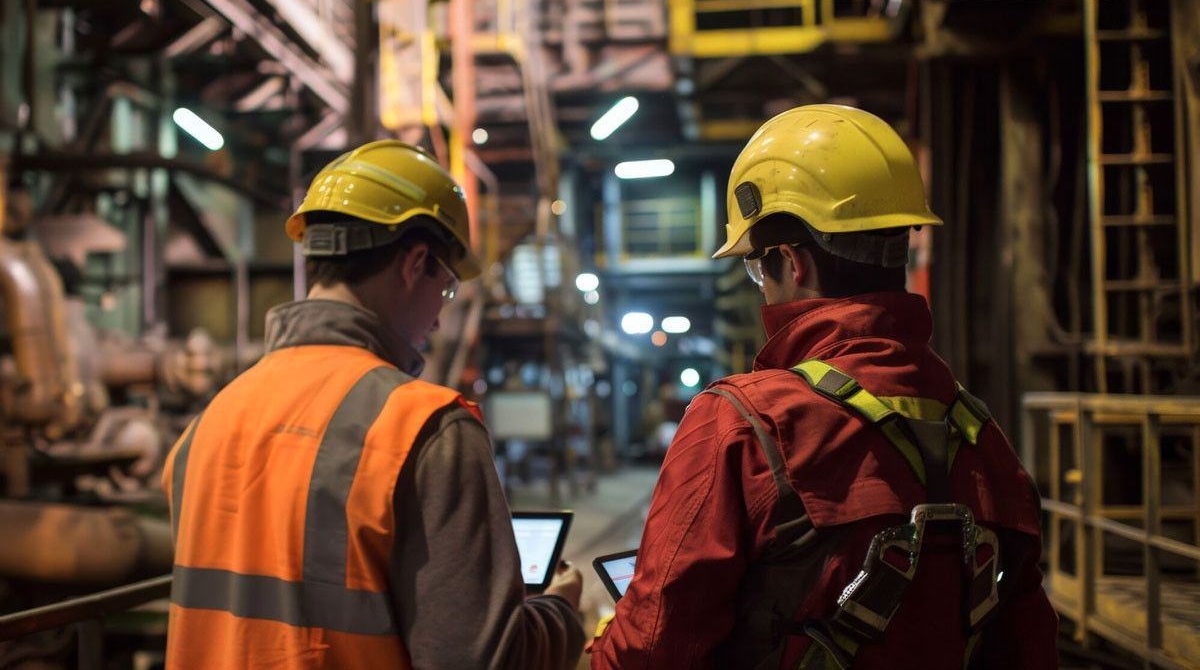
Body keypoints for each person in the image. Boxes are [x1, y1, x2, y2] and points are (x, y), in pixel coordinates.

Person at [590, 105, 1057, 669]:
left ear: (791, 263)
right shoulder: (984, 436)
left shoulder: (745, 424)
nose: (761, 286)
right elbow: (1028, 642)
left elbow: (652, 647)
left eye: (758, 268)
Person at [162, 140, 585, 670]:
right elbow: (477, 659)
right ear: (414, 263)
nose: (440, 315)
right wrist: (562, 615)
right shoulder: (426, 428)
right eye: (448, 287)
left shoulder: (209, 422)